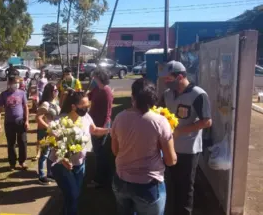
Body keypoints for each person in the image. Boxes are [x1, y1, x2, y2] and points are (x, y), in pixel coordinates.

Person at [111, 78, 177, 215]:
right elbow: (171, 160)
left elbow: (115, 151)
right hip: (148, 185)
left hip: (121, 181)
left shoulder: (119, 118)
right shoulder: (160, 121)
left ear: (132, 96)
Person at [159, 61, 212, 215]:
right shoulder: (168, 94)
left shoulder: (198, 95)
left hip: (188, 150)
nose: (165, 82)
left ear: (180, 77)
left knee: (186, 187)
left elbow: (207, 121)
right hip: (169, 148)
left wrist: (180, 131)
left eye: (168, 79)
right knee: (171, 183)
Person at [50, 91, 110, 215]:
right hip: (61, 166)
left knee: (72, 196)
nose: (87, 109)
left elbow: (94, 130)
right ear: (73, 106)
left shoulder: (86, 117)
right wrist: (62, 158)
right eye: (84, 106)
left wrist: (111, 130)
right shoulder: (60, 120)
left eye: (88, 105)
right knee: (73, 194)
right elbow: (54, 143)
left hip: (79, 164)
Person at [87, 68, 114, 188]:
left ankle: (100, 179)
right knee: (98, 151)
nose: (93, 78)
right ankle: (102, 176)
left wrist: (102, 129)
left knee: (100, 152)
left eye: (95, 77)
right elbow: (89, 97)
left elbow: (108, 112)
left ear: (100, 77)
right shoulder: (97, 89)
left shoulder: (107, 91)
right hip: (94, 123)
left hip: (102, 125)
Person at [0, 75, 30, 171]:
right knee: (11, 143)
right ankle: (12, 163)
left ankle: (22, 161)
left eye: (18, 83)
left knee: (22, 142)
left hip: (20, 121)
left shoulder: (22, 93)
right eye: (14, 83)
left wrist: (26, 120)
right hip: (9, 123)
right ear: (9, 83)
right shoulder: (4, 95)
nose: (16, 84)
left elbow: (25, 107)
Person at [35, 83, 60, 185]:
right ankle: (41, 176)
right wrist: (48, 127)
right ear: (50, 92)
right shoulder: (45, 104)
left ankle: (50, 173)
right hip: (45, 132)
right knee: (45, 154)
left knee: (51, 153)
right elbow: (38, 118)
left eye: (57, 90)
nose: (57, 92)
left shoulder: (55, 102)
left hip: (53, 132)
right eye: (55, 90)